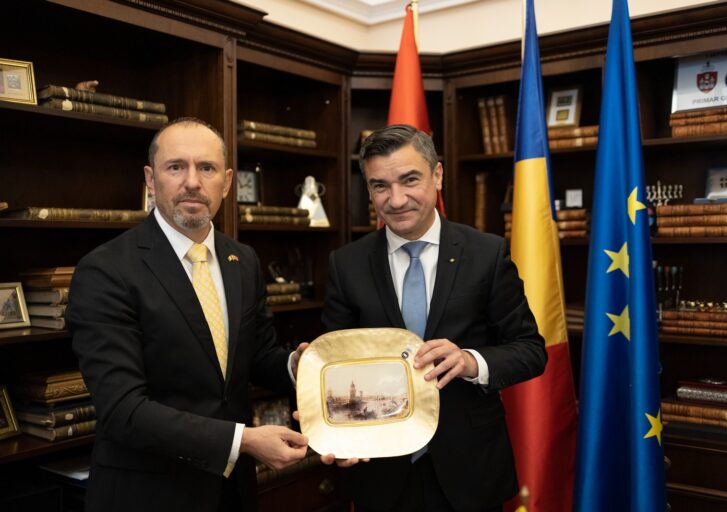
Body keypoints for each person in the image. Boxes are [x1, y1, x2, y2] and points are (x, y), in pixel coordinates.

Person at [66, 117, 308, 512]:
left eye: (207, 168)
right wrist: (243, 441)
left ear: (226, 183)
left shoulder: (242, 260)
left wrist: (298, 366)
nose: (192, 182)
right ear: (151, 179)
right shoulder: (106, 270)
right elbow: (124, 410)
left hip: (232, 491)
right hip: (147, 494)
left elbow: (256, 356)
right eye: (176, 166)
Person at [321, 124, 547, 512]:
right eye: (380, 186)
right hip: (381, 471)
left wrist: (471, 361)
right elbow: (336, 365)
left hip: (469, 468)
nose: (396, 200)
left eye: (410, 180)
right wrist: (337, 437)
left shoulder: (487, 254)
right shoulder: (346, 264)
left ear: (437, 175)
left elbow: (530, 350)